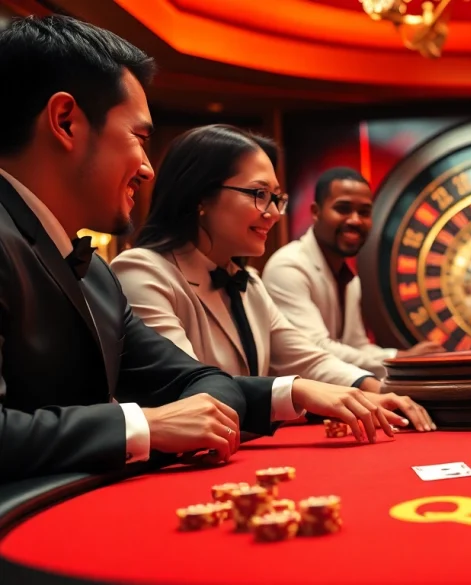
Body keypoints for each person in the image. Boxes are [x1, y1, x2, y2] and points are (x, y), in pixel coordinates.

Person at [0, 15, 282, 481]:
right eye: (140, 137)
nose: (149, 169)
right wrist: (142, 425)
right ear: (65, 122)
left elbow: (200, 381)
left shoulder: (97, 276)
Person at [111, 125, 435, 433]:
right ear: (200, 198)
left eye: (276, 197)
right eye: (259, 194)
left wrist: (376, 392)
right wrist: (296, 390)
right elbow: (190, 390)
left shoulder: (248, 282)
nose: (275, 212)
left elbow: (307, 358)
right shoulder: (143, 271)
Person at [262, 167, 442, 377]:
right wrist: (399, 359)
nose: (355, 220)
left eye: (364, 212)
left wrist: (405, 357)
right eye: (343, 209)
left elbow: (356, 345)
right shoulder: (288, 266)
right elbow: (316, 349)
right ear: (315, 212)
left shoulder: (350, 279)